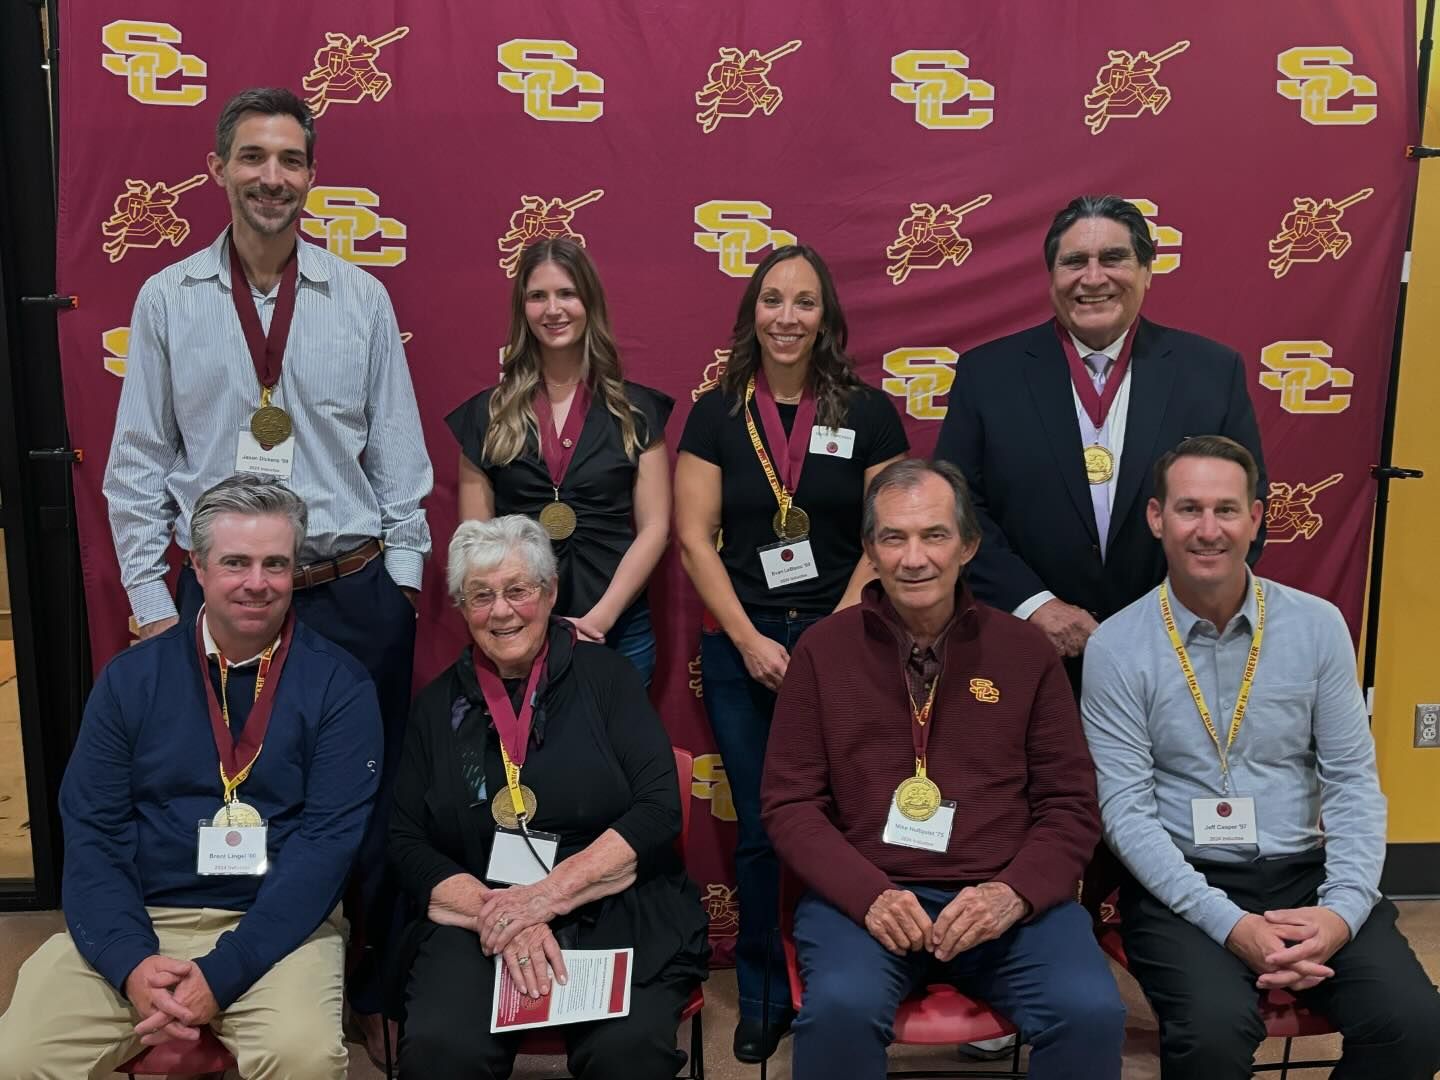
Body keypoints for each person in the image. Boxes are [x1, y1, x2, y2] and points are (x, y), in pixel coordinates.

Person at [100, 85, 431, 1055]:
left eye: (290, 160)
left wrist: (402, 592)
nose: (273, 178)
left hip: (350, 589)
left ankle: (367, 992)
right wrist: (154, 607)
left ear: (313, 175)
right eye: (253, 158)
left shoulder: (360, 297)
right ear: (219, 170)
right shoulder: (168, 300)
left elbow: (402, 466)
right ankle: (224, 982)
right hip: (226, 598)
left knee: (362, 810)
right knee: (228, 791)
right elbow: (135, 468)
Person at [1081, 436, 1440, 1079]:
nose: (1208, 530)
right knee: (1213, 1037)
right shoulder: (1117, 646)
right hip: (1184, 885)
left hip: (1307, 874)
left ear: (1258, 517)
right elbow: (1125, 813)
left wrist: (1342, 910)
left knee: (1413, 1024)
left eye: (1227, 509)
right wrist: (1233, 925)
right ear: (1157, 518)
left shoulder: (1318, 626)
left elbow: (1354, 781)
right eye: (1190, 509)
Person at [0, 475, 382, 1079]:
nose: (257, 583)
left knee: (302, 1056)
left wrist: (224, 972)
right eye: (236, 562)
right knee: (18, 1056)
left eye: (275, 564)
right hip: (140, 915)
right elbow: (93, 832)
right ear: (197, 567)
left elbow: (326, 849)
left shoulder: (342, 687)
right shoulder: (129, 680)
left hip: (276, 926)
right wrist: (129, 963)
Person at [762, 459, 1124, 1080]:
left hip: (1002, 896)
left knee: (1090, 1011)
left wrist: (1011, 894)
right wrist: (868, 894)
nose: (914, 558)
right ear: (870, 551)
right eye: (893, 538)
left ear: (968, 546)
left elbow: (1070, 804)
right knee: (839, 1010)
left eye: (934, 535)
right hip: (869, 895)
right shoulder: (822, 650)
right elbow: (790, 804)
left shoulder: (1025, 650)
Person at [675, 244, 908, 1061]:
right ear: (752, 313)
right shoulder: (714, 415)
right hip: (743, 649)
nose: (787, 317)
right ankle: (767, 988)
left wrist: (829, 637)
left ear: (827, 317)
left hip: (852, 642)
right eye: (773, 300)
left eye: (804, 302)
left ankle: (860, 978)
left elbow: (889, 535)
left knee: (856, 817)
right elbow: (694, 541)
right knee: (764, 829)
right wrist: (748, 641)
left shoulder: (867, 413)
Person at [388, 515, 709, 1080]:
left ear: (550, 591)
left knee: (627, 1054)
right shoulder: (437, 706)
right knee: (441, 1050)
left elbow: (659, 805)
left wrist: (546, 897)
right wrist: (509, 913)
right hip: (478, 916)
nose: (502, 611)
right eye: (481, 596)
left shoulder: (607, 679)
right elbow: (406, 838)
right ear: (462, 607)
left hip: (613, 905)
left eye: (518, 590)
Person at [934, 195, 1266, 689]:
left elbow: (1242, 512)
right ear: (1051, 275)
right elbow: (956, 510)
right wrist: (1036, 606)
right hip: (1021, 653)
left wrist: (1162, 618)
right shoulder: (988, 375)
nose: (1093, 278)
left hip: (1173, 656)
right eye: (1074, 262)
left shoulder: (1211, 373)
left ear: (1148, 271)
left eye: (1113, 258)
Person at [447, 238, 672, 685]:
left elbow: (655, 528)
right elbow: (474, 541)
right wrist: (528, 628)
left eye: (567, 293)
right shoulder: (483, 416)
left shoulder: (638, 412)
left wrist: (599, 621)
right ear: (522, 309)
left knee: (616, 756)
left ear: (589, 301)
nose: (553, 309)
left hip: (618, 632)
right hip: (515, 631)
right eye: (537, 296)